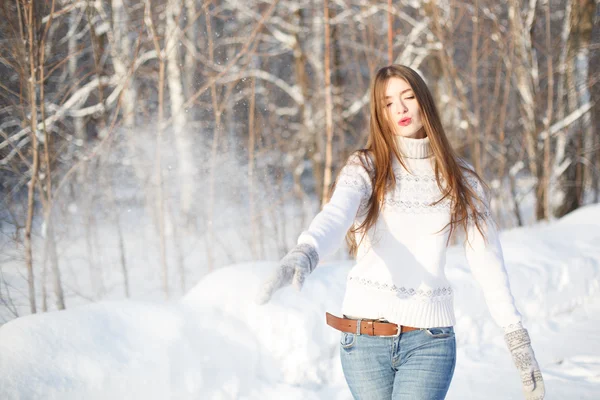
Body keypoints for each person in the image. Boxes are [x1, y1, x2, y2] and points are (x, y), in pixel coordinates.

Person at [256, 65, 544, 400]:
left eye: (408, 97)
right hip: (363, 341)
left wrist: (516, 338)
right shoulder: (366, 167)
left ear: (424, 102)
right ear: (380, 114)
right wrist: (306, 250)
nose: (401, 109)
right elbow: (337, 215)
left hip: (430, 341)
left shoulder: (460, 178)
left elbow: (487, 261)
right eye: (388, 103)